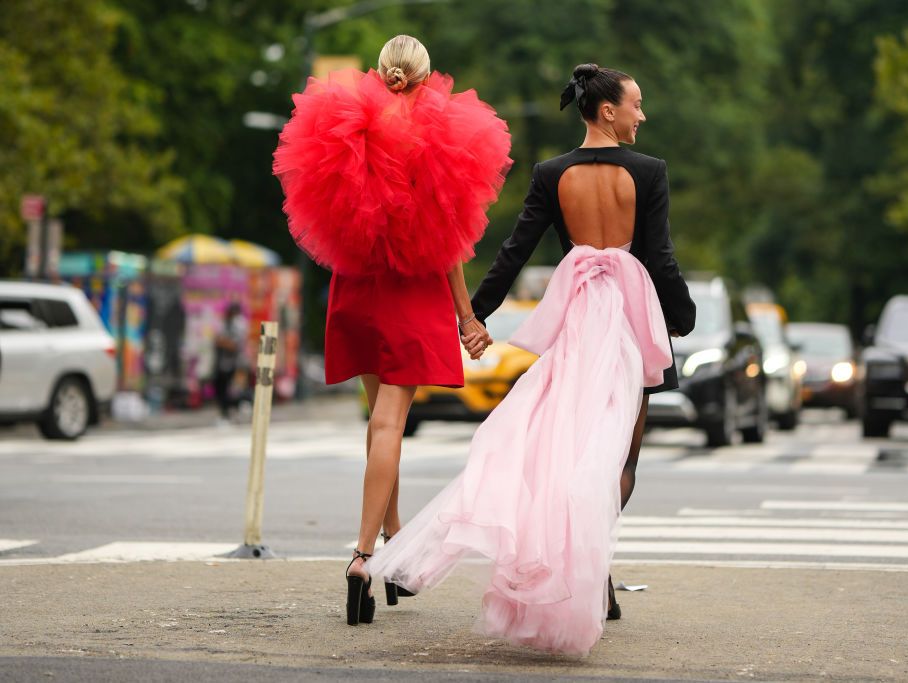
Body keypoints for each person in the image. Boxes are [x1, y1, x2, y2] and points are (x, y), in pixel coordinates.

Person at [365, 64, 697, 655]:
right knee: (620, 456)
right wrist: (682, 314)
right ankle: (595, 574)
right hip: (625, 323)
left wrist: (477, 316)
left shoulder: (552, 173)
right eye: (637, 105)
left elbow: (515, 249)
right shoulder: (649, 173)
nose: (643, 115)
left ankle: (587, 573)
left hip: (576, 323)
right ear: (608, 112)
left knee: (570, 445)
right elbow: (661, 255)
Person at [272, 35, 512, 626]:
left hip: (355, 290)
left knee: (379, 426)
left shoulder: (347, 125)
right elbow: (450, 243)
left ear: (382, 73)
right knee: (389, 426)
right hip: (409, 293)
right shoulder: (437, 136)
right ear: (427, 77)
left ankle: (397, 545)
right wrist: (466, 316)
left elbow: (318, 210)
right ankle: (362, 557)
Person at [212, 302, 247, 424]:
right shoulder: (224, 323)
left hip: (234, 363)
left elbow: (234, 345)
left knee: (233, 390)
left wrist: (222, 342)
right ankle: (225, 413)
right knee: (221, 389)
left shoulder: (239, 323)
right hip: (222, 363)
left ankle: (234, 411)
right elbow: (217, 339)